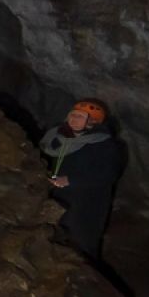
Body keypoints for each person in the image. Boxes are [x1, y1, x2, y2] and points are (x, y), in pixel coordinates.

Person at [39, 98, 125, 260]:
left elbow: (107, 175)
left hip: (86, 203)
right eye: (73, 115)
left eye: (80, 116)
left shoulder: (105, 145)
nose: (73, 119)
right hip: (56, 196)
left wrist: (71, 180)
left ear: (92, 121)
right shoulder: (56, 138)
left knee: (80, 244)